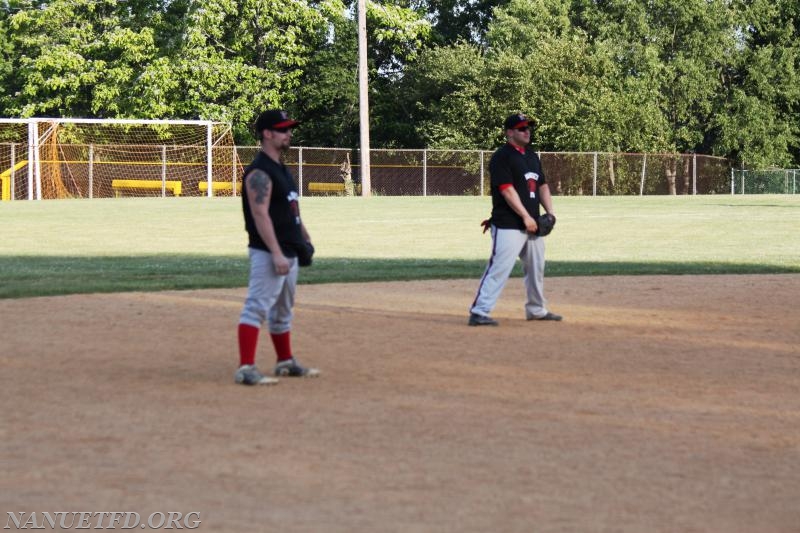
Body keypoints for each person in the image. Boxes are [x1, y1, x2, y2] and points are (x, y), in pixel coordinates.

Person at [234, 109, 320, 385]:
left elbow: (292, 208)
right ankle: (246, 368)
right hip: (270, 252)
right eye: (283, 129)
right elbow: (260, 215)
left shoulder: (281, 168)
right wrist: (275, 252)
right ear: (267, 134)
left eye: (289, 129)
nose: (288, 133)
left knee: (283, 311)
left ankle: (285, 362)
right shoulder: (260, 172)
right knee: (257, 307)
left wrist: (304, 237)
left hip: (289, 250)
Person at [468, 113, 562, 326]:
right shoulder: (502, 156)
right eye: (521, 128)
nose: (527, 131)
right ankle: (479, 311)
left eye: (528, 127)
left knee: (536, 269)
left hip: (533, 225)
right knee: (499, 268)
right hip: (508, 224)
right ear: (509, 133)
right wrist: (526, 216)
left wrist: (550, 212)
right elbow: (507, 190)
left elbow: (542, 186)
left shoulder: (531, 156)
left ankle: (536, 310)